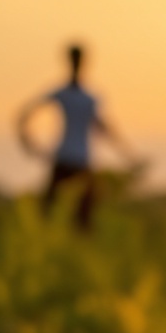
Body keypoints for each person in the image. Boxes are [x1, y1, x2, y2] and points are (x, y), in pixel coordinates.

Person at [15, 43, 129, 230]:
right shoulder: (72, 95)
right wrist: (29, 144)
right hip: (71, 160)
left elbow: (102, 127)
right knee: (64, 216)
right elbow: (103, 128)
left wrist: (126, 153)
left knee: (71, 215)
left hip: (76, 160)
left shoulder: (87, 97)